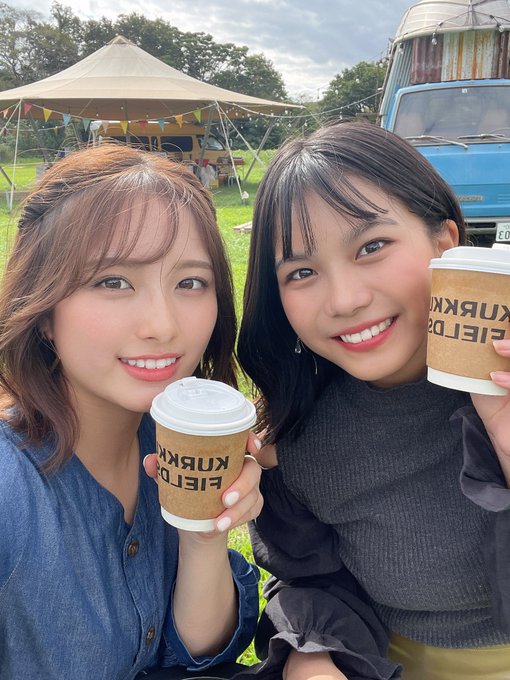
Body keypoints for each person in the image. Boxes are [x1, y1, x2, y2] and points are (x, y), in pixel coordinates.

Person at [237, 121, 510, 680]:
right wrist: (310, 655)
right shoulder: (297, 442)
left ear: (445, 244)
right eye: (302, 272)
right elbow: (314, 581)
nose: (345, 300)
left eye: (372, 247)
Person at [0, 144, 262, 680]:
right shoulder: (12, 489)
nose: (163, 325)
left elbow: (196, 656)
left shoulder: (167, 443)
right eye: (113, 282)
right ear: (43, 309)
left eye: (190, 282)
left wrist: (203, 534)